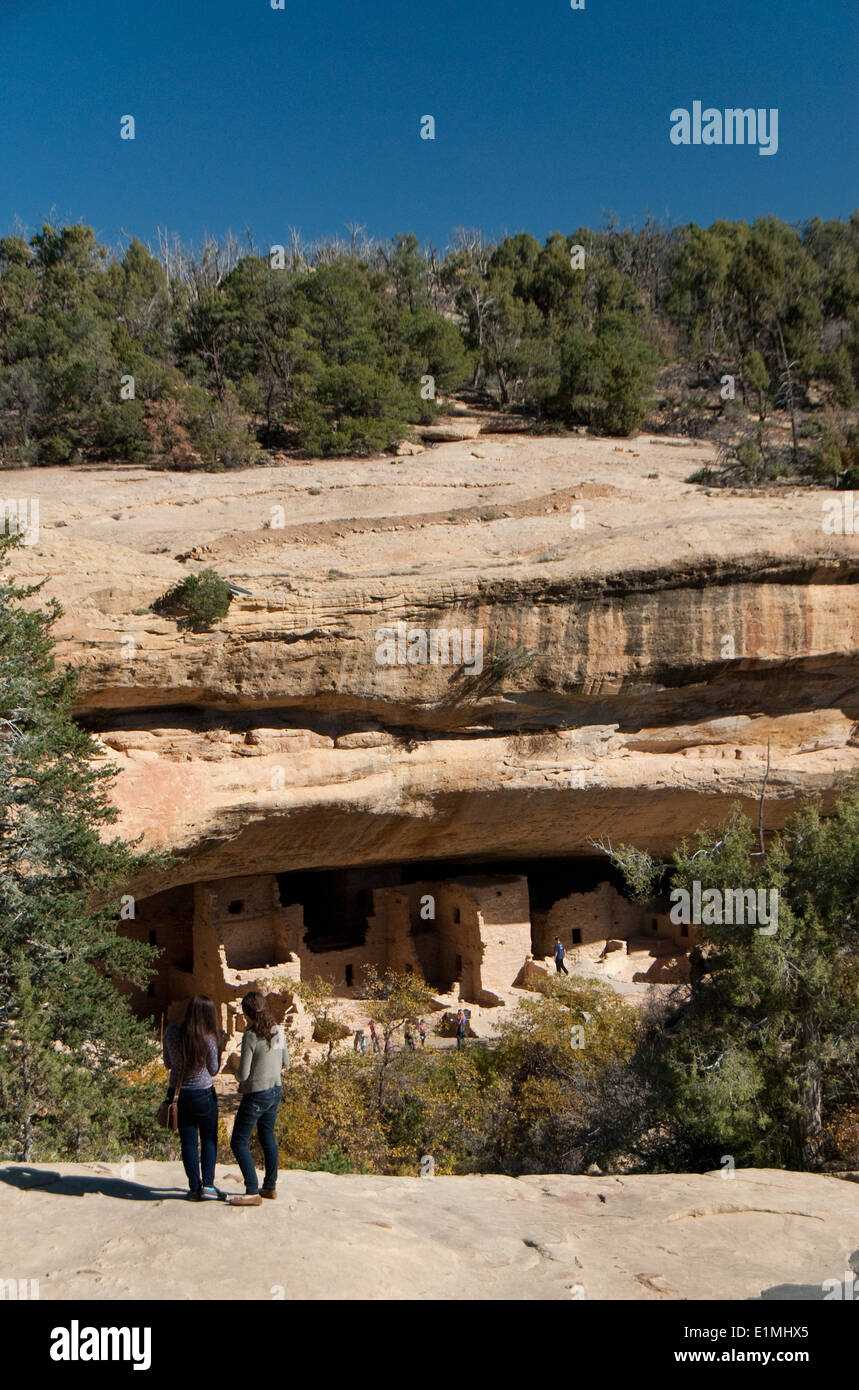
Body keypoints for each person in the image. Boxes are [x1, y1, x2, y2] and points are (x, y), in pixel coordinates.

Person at [226, 992, 290, 1208]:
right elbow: (286, 1062)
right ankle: (270, 1186)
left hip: (256, 1094)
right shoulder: (277, 1031)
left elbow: (243, 1074)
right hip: (275, 1091)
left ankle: (252, 1189)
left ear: (246, 1014)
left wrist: (235, 1075)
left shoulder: (251, 1036)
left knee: (238, 1141)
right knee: (267, 1137)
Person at [163, 995, 223, 1201]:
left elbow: (168, 1063)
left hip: (179, 1095)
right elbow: (213, 1070)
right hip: (203, 1093)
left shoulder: (171, 1033)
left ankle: (194, 1188)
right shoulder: (208, 1039)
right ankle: (208, 1186)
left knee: (188, 1142)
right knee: (208, 1139)